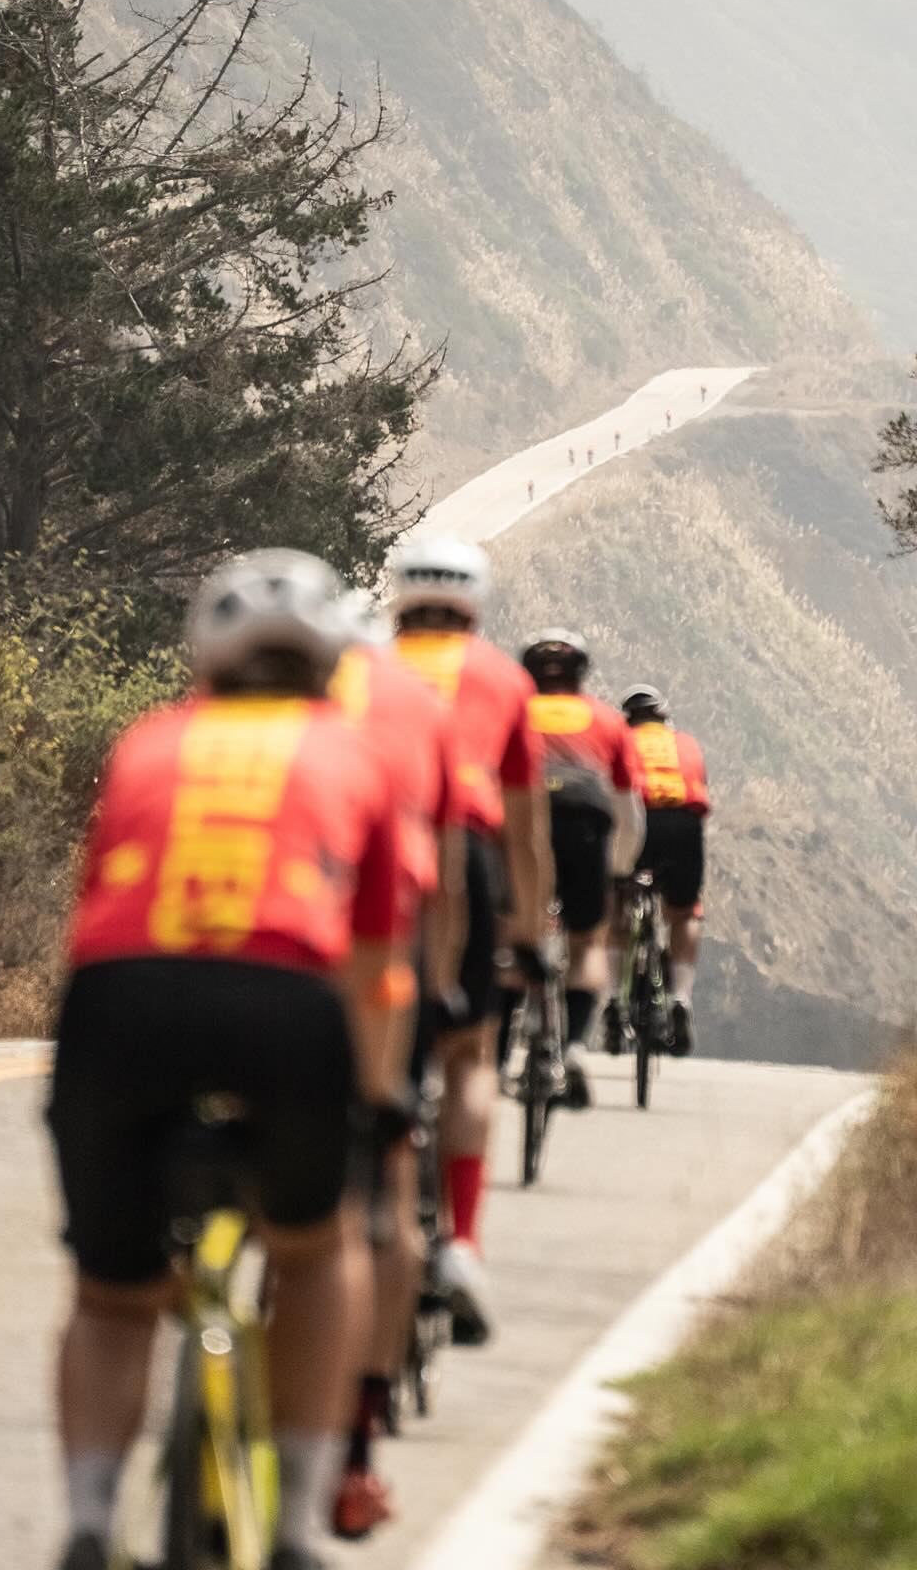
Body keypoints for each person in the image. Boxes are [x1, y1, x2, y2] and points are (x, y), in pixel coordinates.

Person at [46, 550, 411, 1570]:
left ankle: (85, 1524)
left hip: (118, 1004)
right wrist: (377, 1101)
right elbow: (377, 964)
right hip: (283, 1003)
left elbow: (97, 916)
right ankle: (293, 1525)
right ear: (328, 663)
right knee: (312, 1248)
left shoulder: (147, 742)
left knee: (110, 1294)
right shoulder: (356, 756)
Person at [387, 535, 550, 1344]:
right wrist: (528, 927)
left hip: (377, 850)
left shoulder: (364, 668)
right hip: (473, 855)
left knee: (373, 1033)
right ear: (474, 606)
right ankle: (463, 1244)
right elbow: (526, 827)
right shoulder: (503, 678)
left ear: (397, 601)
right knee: (471, 1053)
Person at [328, 591, 465, 1540]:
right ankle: (356, 1441)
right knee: (370, 1198)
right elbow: (458, 872)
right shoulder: (418, 711)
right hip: (373, 950)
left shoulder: (191, 732)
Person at [520, 631, 644, 1107]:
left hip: (528, 821)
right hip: (585, 825)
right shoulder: (609, 722)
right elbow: (628, 809)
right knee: (588, 940)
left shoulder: (515, 712)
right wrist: (621, 868)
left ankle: (496, 1057)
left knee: (514, 933)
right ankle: (572, 1049)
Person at [619, 685, 711, 1058]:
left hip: (638, 819)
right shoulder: (685, 744)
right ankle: (681, 999)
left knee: (617, 900)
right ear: (663, 719)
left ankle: (613, 997)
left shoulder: (621, 740)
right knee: (685, 911)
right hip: (683, 823)